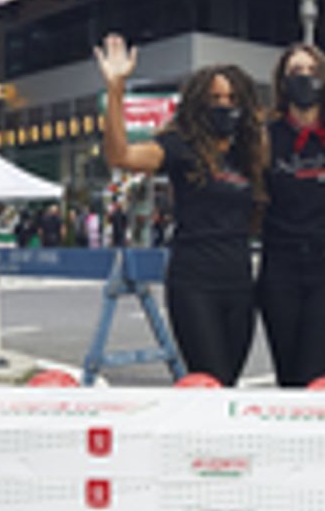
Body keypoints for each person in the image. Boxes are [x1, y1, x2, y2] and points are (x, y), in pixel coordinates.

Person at [96, 33, 263, 386]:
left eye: (232, 99)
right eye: (215, 98)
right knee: (209, 380)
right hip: (194, 281)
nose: (224, 106)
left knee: (230, 383)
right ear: (198, 103)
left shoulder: (248, 152)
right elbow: (120, 156)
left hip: (239, 281)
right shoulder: (178, 146)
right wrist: (115, 89)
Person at [258, 43, 325, 386]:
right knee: (288, 374)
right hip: (281, 265)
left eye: (312, 71)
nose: (304, 78)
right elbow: (256, 196)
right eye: (295, 72)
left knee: (317, 371)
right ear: (282, 82)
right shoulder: (266, 137)